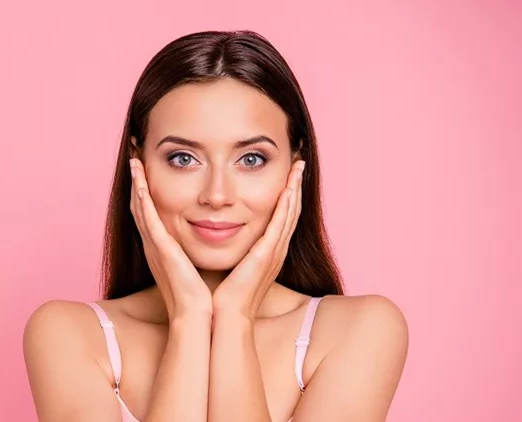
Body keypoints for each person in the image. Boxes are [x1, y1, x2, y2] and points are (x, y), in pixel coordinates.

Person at [23, 30, 408, 422]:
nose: (217, 195)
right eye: (184, 159)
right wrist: (189, 318)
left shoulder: (361, 330)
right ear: (137, 164)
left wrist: (235, 317)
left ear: (296, 165)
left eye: (252, 159)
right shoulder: (69, 335)